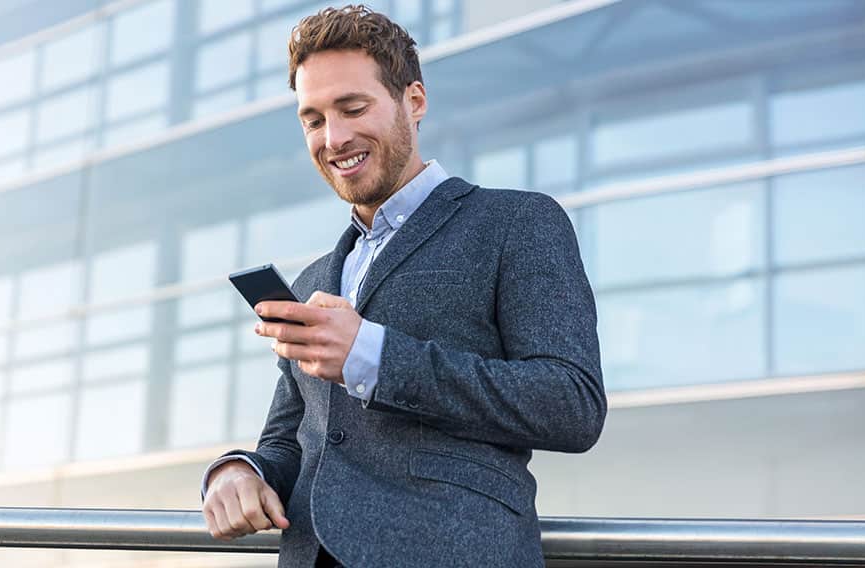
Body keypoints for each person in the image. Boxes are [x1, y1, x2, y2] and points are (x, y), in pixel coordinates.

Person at [200, 5, 606, 567]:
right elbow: (293, 440)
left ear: (413, 101)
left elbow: (571, 404)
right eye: (313, 119)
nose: (334, 138)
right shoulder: (316, 278)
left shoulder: (517, 222)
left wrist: (373, 355)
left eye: (353, 108)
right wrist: (238, 470)